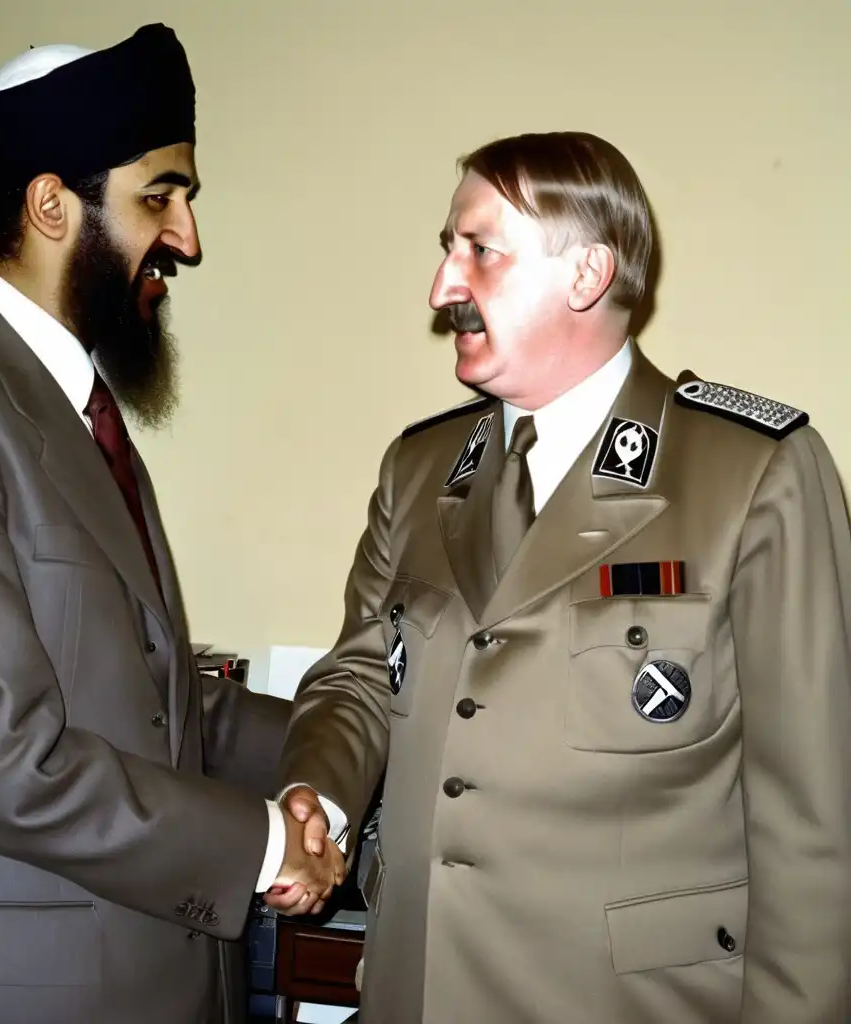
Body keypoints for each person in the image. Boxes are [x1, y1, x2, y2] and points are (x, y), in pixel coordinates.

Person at [0, 24, 342, 1024]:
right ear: (51, 203)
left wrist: (359, 743)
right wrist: (269, 846)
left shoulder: (74, 409)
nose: (187, 238)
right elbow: (0, 753)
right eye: (160, 197)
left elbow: (156, 702)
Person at [273, 131, 851, 1022]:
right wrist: (320, 796)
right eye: (447, 249)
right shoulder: (418, 469)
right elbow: (359, 677)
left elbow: (813, 823)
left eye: (480, 251)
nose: (442, 287)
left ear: (586, 275)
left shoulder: (752, 473)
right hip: (414, 989)